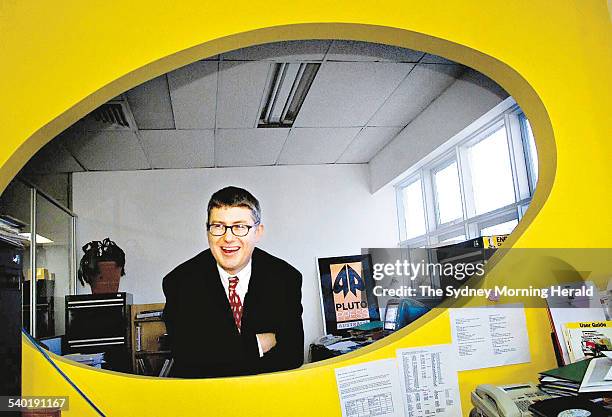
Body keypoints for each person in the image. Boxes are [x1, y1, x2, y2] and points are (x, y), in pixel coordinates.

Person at [162, 186, 304, 378]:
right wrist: (258, 345)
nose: (228, 238)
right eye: (218, 226)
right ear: (208, 231)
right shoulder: (179, 283)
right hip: (207, 397)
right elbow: (187, 359)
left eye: (240, 227)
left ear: (258, 232)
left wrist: (217, 352)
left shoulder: (285, 278)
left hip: (265, 395)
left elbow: (292, 356)